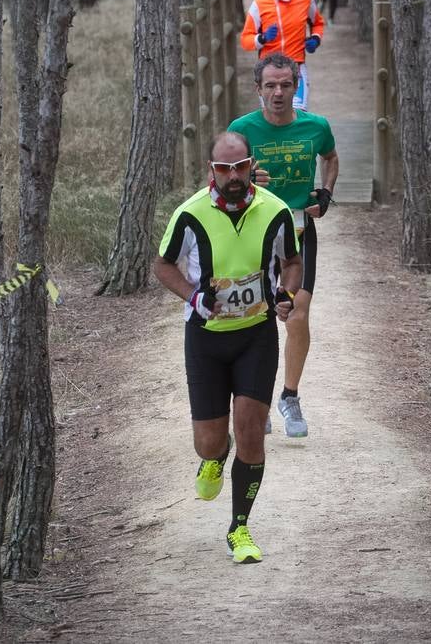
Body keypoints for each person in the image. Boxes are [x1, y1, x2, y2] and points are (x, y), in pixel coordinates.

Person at [154, 131, 302, 564]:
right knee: (209, 441)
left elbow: (292, 262)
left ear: (251, 165)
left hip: (256, 335)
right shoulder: (190, 213)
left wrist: (286, 295)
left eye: (240, 167)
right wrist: (194, 297)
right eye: (224, 168)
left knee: (252, 429)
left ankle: (239, 527)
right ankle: (214, 458)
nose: (233, 176)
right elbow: (163, 264)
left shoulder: (273, 210)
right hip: (205, 338)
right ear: (211, 171)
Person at [228, 54, 339, 438]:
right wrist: (245, 181)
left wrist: (325, 194)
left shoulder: (316, 126)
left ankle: (289, 397)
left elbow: (331, 158)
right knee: (253, 316)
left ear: (297, 87)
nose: (278, 92)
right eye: (270, 86)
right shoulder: (241, 130)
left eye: (285, 85)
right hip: (252, 233)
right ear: (258, 89)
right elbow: (219, 183)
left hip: (298, 229)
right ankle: (249, 400)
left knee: (297, 314)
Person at [240, 0, 324, 111]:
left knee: (297, 115)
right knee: (272, 117)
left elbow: (318, 23)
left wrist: (315, 38)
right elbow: (245, 40)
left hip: (295, 67)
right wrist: (262, 38)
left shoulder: (305, 0)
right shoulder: (259, 4)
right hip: (267, 70)